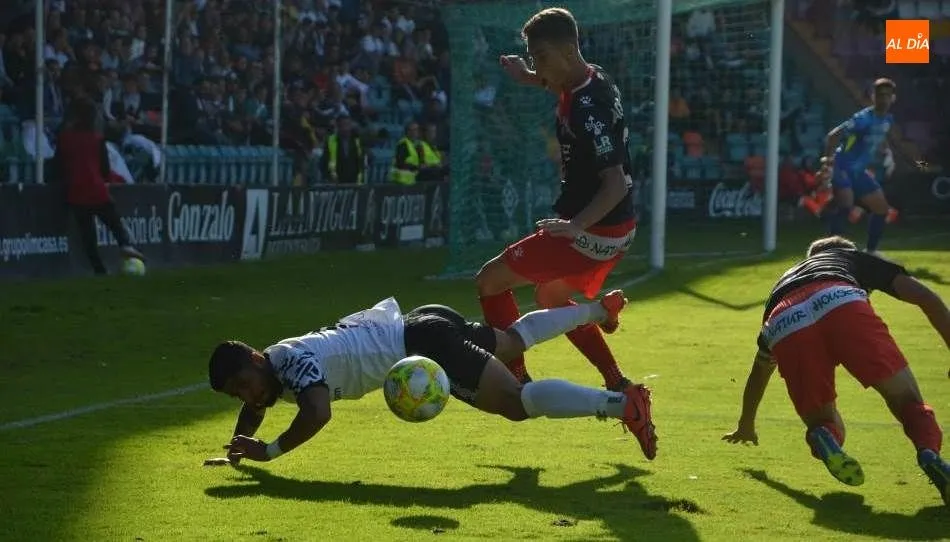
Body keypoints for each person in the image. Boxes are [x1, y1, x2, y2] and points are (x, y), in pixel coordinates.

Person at [471, 7, 655, 460]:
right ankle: (619, 382)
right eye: (534, 57)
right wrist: (528, 76)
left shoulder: (588, 109)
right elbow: (560, 83)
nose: (539, 66)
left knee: (490, 282)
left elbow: (616, 183)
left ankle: (516, 380)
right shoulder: (591, 77)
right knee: (552, 299)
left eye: (542, 57)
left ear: (569, 50)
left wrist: (575, 227)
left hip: (591, 228)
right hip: (617, 228)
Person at [204, 290, 656, 466]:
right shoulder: (270, 371)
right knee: (513, 341)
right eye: (236, 393)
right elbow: (255, 405)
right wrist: (238, 447)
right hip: (421, 323)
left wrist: (269, 451)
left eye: (244, 382)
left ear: (256, 358)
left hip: (423, 347)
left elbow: (317, 412)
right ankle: (597, 310)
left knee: (517, 403)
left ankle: (624, 404)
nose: (247, 395)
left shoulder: (290, 362)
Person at [723, 236, 950, 507]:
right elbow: (926, 297)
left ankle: (824, 435)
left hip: (783, 320)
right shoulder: (850, 257)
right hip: (840, 299)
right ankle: (928, 452)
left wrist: (746, 424)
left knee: (823, 422)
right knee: (907, 401)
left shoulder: (786, 280)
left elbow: (759, 371)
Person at [55, 97, 144, 275]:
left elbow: (58, 165)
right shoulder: (97, 139)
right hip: (96, 189)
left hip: (76, 192)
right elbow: (104, 169)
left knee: (87, 234)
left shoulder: (64, 138)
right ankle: (124, 244)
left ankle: (99, 268)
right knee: (113, 221)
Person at [822, 78, 896, 253]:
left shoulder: (887, 119)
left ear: (893, 98)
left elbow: (881, 137)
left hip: (858, 171)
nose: (884, 99)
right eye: (880, 95)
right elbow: (833, 136)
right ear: (873, 96)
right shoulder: (863, 118)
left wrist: (888, 155)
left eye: (887, 95)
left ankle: (871, 251)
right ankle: (830, 252)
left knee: (881, 209)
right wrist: (828, 161)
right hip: (843, 166)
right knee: (846, 206)